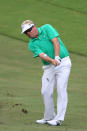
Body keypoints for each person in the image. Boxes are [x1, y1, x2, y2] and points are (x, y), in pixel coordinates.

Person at [21, 20, 72, 126]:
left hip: (63, 63)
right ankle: (49, 117)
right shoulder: (32, 44)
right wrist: (52, 61)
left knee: (61, 89)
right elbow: (42, 54)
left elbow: (55, 41)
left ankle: (58, 119)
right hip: (49, 67)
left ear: (34, 27)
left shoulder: (47, 28)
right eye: (26, 32)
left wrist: (57, 57)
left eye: (29, 30)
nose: (28, 33)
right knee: (45, 91)